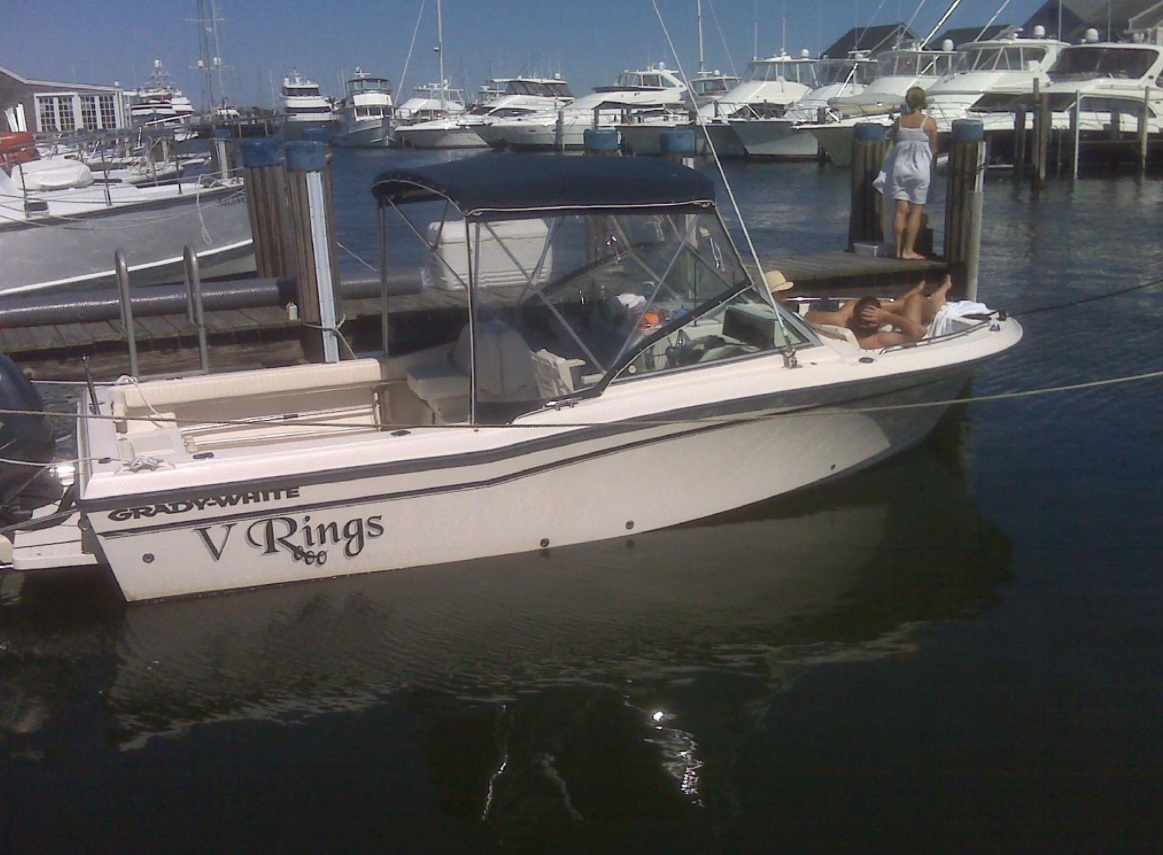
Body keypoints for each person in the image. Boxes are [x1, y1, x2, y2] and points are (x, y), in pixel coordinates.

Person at [804, 277, 952, 349]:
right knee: (915, 301)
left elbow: (808, 316)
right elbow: (920, 331)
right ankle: (938, 297)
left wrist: (845, 319)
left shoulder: (845, 323)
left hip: (854, 324)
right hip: (909, 330)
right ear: (879, 323)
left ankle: (902, 301)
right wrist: (887, 316)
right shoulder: (877, 339)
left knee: (850, 304)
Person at [888, 86, 939, 261]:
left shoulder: (899, 122)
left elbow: (895, 142)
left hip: (900, 168)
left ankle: (897, 250)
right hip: (920, 170)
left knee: (900, 211)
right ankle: (908, 250)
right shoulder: (929, 123)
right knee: (916, 211)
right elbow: (934, 148)